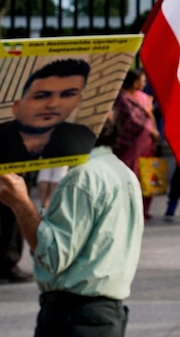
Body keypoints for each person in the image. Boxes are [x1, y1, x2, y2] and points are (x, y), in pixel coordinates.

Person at [0, 115, 144, 336]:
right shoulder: (120, 170)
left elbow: (53, 255)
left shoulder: (82, 176)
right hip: (105, 312)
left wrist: (21, 203)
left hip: (75, 315)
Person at [1, 58, 96, 284]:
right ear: (18, 105)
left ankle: (7, 261)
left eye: (67, 94)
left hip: (16, 179)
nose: (53, 104)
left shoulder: (75, 136)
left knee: (11, 214)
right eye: (42, 95)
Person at [113, 69, 160, 221]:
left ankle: (144, 210)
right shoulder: (122, 99)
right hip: (130, 145)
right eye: (142, 80)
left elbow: (149, 117)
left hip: (146, 144)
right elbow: (133, 121)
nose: (144, 83)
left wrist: (153, 130)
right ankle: (129, 210)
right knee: (131, 175)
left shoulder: (143, 97)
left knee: (146, 174)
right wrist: (149, 129)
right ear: (134, 82)